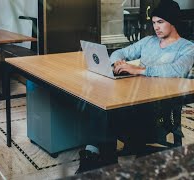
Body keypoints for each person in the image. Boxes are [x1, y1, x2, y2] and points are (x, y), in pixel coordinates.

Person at [76, 0, 194, 174]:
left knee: (107, 113)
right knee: (98, 104)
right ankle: (99, 157)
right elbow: (122, 52)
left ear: (173, 22)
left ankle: (100, 159)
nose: (156, 27)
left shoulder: (188, 47)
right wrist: (117, 60)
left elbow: (176, 69)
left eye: (160, 22)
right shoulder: (148, 41)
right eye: (154, 22)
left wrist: (139, 69)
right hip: (135, 97)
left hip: (159, 105)